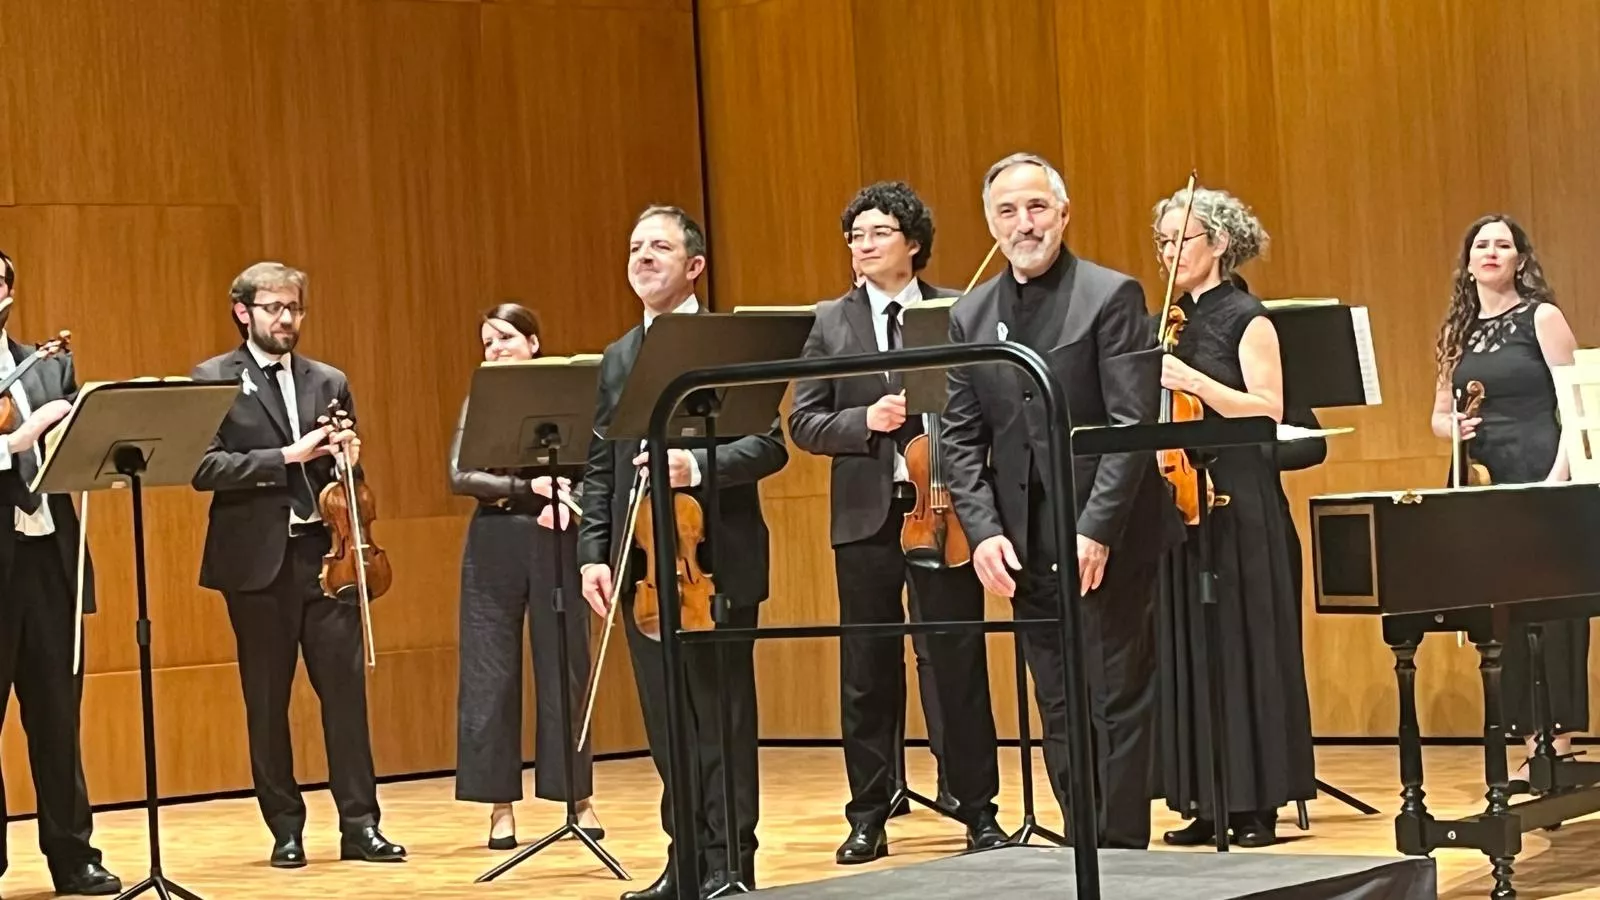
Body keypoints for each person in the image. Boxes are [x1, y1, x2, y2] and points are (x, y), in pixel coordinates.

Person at [940, 153, 1182, 849]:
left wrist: (1097, 529)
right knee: (1059, 705)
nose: (1025, 223)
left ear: (1064, 213)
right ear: (991, 223)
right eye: (1009, 212)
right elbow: (959, 439)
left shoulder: (1112, 295)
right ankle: (1085, 852)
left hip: (1109, 533)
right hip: (1025, 542)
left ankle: (1121, 857)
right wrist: (983, 532)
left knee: (1114, 700)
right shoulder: (970, 313)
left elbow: (1132, 424)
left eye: (1038, 207)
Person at [789, 181, 1005, 864]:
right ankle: (869, 814)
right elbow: (803, 421)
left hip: (942, 510)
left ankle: (980, 810)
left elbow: (987, 406)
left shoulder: (954, 312)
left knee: (957, 660)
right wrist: (865, 421)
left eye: (878, 232)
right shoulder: (830, 321)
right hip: (865, 519)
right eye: (855, 234)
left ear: (912, 243)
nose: (862, 244)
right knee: (867, 672)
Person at [577, 206, 788, 900]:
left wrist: (690, 468)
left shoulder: (729, 345)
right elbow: (601, 466)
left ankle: (732, 863)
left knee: (722, 719)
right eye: (635, 246)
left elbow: (766, 446)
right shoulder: (617, 357)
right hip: (641, 572)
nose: (643, 258)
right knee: (669, 725)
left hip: (715, 563)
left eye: (659, 247)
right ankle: (687, 864)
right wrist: (593, 556)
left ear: (694, 266)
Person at [190, 261, 406, 867]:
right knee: (267, 701)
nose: (286, 320)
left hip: (327, 558)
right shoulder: (211, 379)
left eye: (295, 309)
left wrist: (346, 457)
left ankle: (360, 825)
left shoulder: (328, 380)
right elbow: (203, 469)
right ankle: (286, 827)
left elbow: (348, 479)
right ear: (244, 312)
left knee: (345, 696)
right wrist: (286, 455)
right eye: (274, 309)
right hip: (258, 567)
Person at [1149, 186, 1315, 848]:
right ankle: (1205, 798)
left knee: (1249, 647)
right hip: (1182, 505)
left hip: (1240, 504)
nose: (1168, 254)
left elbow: (1268, 408)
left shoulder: (1248, 317)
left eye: (1180, 241)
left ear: (1217, 244)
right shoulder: (1168, 323)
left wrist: (1195, 384)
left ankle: (1258, 806)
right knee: (1194, 650)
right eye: (1160, 242)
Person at [1429, 214, 1582, 790]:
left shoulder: (1541, 317)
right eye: (1481, 245)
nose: (1491, 252)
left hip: (1545, 474)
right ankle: (1527, 744)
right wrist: (1454, 430)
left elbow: (1577, 407)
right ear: (1468, 261)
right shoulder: (1456, 334)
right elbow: (1439, 416)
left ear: (1520, 260)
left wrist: (1557, 479)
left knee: (1555, 613)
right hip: (1489, 483)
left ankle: (1559, 745)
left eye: (1503, 245)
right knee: (1506, 617)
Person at [448, 302, 603, 849]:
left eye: (506, 338)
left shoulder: (568, 395)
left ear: (533, 343)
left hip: (556, 536)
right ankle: (499, 809)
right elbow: (459, 474)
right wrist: (525, 490)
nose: (495, 350)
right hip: (494, 541)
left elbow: (595, 468)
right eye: (487, 342)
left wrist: (573, 502)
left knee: (566, 666)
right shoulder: (481, 398)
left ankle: (576, 797)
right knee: (491, 675)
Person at [0, 249, 122, 895]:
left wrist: (82, 434)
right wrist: (16, 443)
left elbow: (83, 454)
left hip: (50, 558)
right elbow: (15, 446)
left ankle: (74, 857)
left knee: (57, 719)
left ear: (10, 290)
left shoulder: (49, 367)